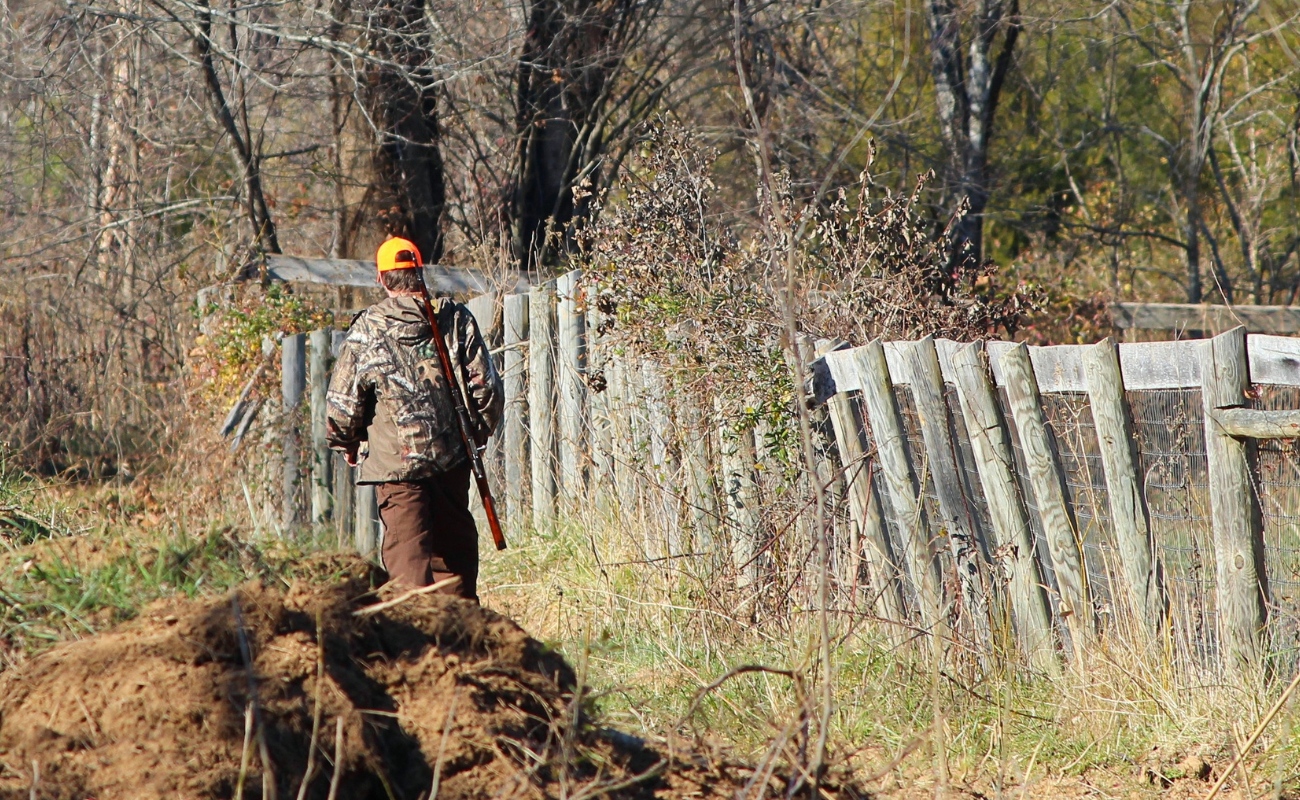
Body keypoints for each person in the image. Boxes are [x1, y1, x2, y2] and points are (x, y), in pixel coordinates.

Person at [326, 236, 503, 602]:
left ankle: (417, 645)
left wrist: (346, 441)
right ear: (419, 271)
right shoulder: (456, 319)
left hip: (396, 470)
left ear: (382, 279)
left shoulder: (367, 330)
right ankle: (464, 640)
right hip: (452, 459)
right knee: (454, 563)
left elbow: (342, 405)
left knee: (408, 566)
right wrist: (477, 433)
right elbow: (486, 388)